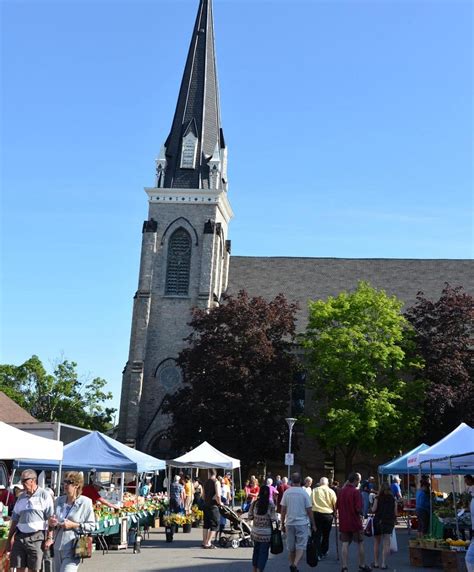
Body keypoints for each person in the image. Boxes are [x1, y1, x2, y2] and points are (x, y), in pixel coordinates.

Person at [1, 469, 54, 572]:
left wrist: (49, 538)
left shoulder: (44, 495)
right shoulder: (21, 497)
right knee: (19, 567)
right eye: (21, 480)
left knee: (33, 569)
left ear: (33, 480)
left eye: (24, 480)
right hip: (20, 537)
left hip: (36, 537)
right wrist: (9, 540)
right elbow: (15, 520)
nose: (22, 483)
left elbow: (51, 518)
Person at [47, 471, 95, 572]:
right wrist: (51, 523)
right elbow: (52, 521)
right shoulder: (59, 500)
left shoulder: (85, 502)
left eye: (69, 482)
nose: (65, 485)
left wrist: (73, 525)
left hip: (74, 547)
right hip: (57, 546)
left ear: (76, 485)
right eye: (64, 482)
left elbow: (92, 526)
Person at [280, 472, 317, 572]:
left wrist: (282, 523)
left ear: (291, 481)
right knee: (301, 546)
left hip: (290, 523)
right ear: (300, 481)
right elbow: (309, 510)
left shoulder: (287, 492)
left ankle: (292, 564)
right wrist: (313, 524)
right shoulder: (304, 493)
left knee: (291, 548)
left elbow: (283, 509)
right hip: (302, 523)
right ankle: (295, 565)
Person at [337, 472, 371, 572]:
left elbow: (337, 506)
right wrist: (363, 515)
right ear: (355, 480)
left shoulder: (341, 491)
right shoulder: (356, 492)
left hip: (344, 521)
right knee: (360, 543)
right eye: (359, 481)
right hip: (354, 521)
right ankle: (362, 564)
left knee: (345, 543)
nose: (359, 483)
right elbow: (358, 508)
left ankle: (344, 567)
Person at [248, 485, 277, 572]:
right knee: (263, 553)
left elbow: (250, 516)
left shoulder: (255, 503)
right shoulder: (270, 505)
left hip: (255, 532)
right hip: (266, 534)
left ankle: (254, 569)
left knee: (256, 551)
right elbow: (273, 519)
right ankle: (260, 570)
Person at [372, 482, 397, 569]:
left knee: (376, 542)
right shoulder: (393, 499)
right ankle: (383, 563)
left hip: (378, 521)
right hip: (388, 522)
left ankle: (375, 563)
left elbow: (373, 509)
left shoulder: (377, 498)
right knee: (386, 542)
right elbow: (395, 512)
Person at [312, 476, 337, 560]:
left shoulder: (314, 490)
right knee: (326, 534)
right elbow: (335, 504)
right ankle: (324, 550)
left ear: (320, 483)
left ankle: (318, 553)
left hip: (317, 514)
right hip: (328, 515)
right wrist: (336, 513)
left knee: (317, 534)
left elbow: (310, 502)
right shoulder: (331, 491)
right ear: (327, 483)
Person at [202, 468, 222, 549]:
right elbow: (218, 495)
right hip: (213, 506)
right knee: (215, 524)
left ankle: (204, 542)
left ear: (209, 474)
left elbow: (203, 495)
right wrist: (220, 502)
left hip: (206, 505)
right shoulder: (216, 482)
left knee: (206, 524)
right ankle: (208, 542)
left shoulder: (205, 482)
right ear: (215, 474)